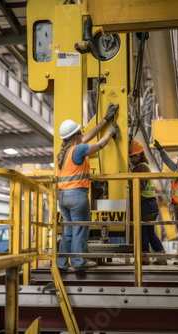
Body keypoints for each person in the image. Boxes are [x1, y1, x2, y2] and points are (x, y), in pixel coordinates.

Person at [56, 103, 119, 271]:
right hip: (77, 196)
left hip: (62, 198)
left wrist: (105, 120)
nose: (82, 135)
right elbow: (99, 145)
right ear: (75, 136)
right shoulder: (78, 149)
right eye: (79, 133)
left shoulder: (63, 153)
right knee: (80, 230)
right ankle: (78, 262)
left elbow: (89, 136)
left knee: (68, 232)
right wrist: (111, 132)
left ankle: (61, 264)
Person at [129, 141, 167, 265]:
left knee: (142, 231)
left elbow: (140, 185)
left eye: (134, 156)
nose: (132, 158)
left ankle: (144, 257)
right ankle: (160, 255)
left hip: (146, 204)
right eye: (131, 156)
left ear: (141, 155)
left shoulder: (142, 167)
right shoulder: (143, 166)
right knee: (149, 231)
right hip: (150, 204)